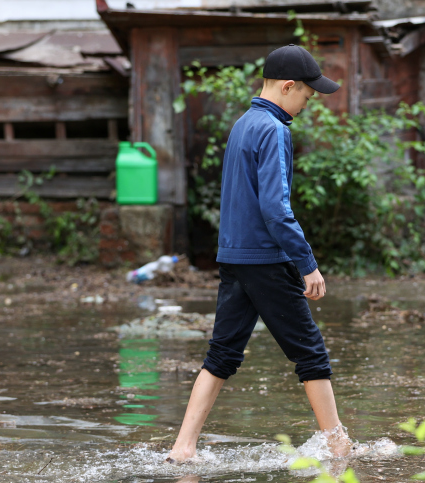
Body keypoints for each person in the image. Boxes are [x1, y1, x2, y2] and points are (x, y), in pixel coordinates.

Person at [166, 44, 350, 464]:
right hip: (267, 260)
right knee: (311, 353)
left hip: (234, 258)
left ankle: (183, 447)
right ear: (288, 86)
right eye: (307, 95)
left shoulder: (243, 124)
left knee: (222, 353)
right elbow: (275, 208)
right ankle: (339, 446)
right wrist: (308, 265)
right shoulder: (274, 130)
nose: (306, 104)